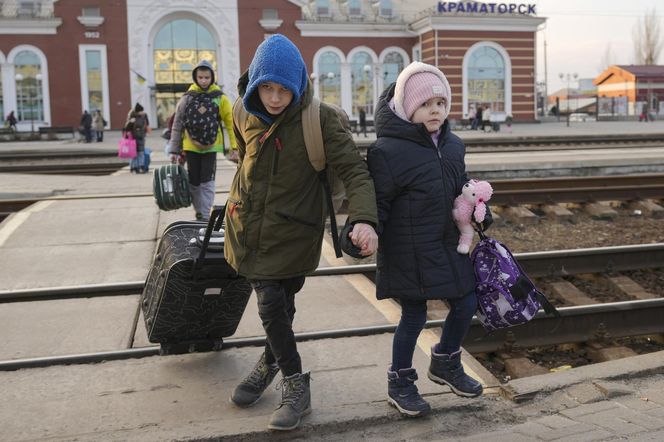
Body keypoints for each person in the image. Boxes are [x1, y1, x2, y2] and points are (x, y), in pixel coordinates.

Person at [225, 34, 378, 431]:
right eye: (267, 88)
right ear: (255, 83)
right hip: (248, 229)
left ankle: (265, 363)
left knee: (282, 305)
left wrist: (363, 219)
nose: (275, 98)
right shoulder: (243, 111)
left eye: (284, 89)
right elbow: (244, 157)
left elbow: (355, 173)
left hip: (295, 234)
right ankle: (294, 382)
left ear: (298, 85)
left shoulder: (319, 120)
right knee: (271, 304)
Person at [367, 61, 491, 418]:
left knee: (467, 302)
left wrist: (478, 208)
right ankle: (400, 381)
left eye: (440, 103)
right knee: (414, 315)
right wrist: (365, 229)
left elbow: (460, 188)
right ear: (408, 109)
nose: (434, 110)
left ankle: (446, 362)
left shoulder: (453, 146)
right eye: (425, 104)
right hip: (408, 249)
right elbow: (378, 203)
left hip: (446, 242)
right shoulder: (386, 151)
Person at [168, 60, 236, 221]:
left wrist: (234, 146)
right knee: (194, 181)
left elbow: (231, 123)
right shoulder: (188, 97)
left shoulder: (220, 97)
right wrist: (174, 149)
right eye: (200, 77)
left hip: (211, 148)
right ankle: (200, 211)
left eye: (206, 77)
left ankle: (204, 213)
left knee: (207, 180)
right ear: (195, 77)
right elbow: (177, 123)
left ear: (212, 77)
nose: (204, 80)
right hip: (191, 146)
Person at [125, 103, 149, 173]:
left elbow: (147, 124)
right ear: (138, 111)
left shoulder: (143, 117)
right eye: (141, 111)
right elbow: (127, 128)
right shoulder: (133, 118)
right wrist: (130, 123)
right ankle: (134, 167)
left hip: (141, 137)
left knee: (141, 153)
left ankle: (140, 167)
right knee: (134, 154)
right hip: (133, 138)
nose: (142, 112)